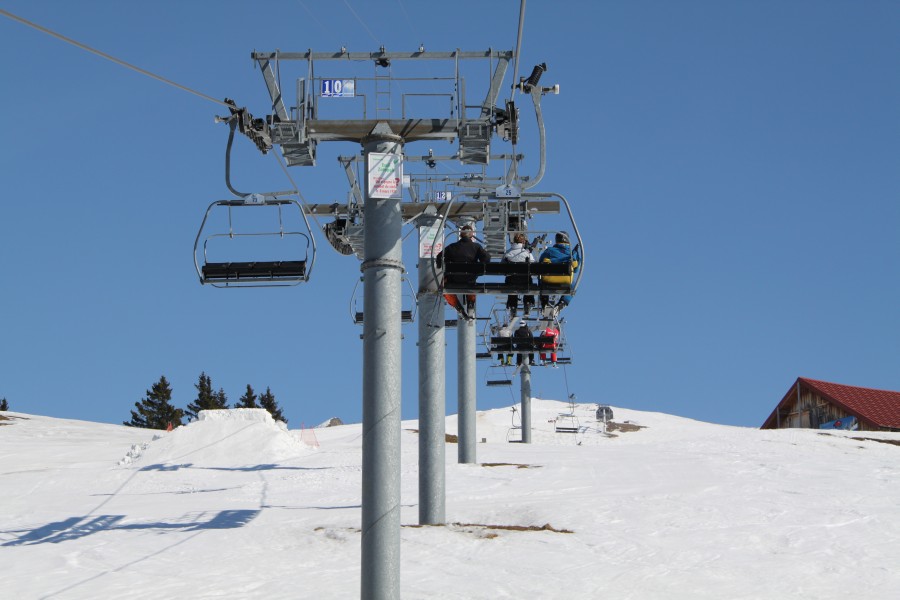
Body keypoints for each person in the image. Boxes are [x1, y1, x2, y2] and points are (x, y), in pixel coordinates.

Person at [436, 223, 490, 320]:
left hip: (453, 279)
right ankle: (471, 304)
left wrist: (441, 265)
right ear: (472, 235)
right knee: (472, 284)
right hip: (469, 278)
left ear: (460, 234)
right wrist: (480, 268)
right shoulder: (476, 247)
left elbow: (439, 256)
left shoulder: (452, 247)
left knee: (445, 288)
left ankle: (458, 307)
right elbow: (487, 258)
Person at [539, 231, 579, 318]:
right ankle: (562, 303)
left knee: (541, 277)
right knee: (574, 284)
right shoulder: (572, 254)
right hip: (565, 280)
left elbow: (540, 262)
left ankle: (544, 301)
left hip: (548, 280)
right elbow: (576, 269)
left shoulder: (549, 251)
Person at [502, 232, 536, 319]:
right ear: (523, 242)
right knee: (529, 283)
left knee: (512, 288)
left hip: (511, 281)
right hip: (525, 281)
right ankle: (527, 303)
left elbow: (502, 266)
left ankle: (513, 306)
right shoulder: (527, 253)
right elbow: (533, 264)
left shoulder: (507, 253)